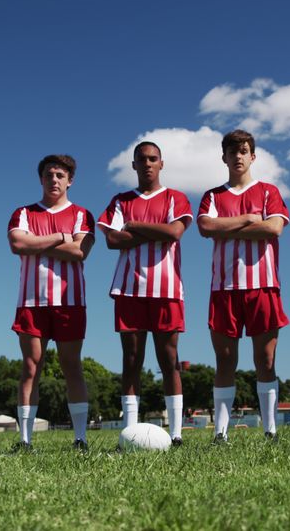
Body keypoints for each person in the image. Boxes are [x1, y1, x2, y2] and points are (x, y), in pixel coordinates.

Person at [197, 130, 290, 443]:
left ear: (253, 156)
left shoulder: (268, 192)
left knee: (265, 360)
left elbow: (274, 227)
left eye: (244, 151)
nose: (238, 156)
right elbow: (206, 226)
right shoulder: (213, 195)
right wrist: (249, 219)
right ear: (224, 157)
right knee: (225, 361)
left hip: (263, 285)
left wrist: (231, 226)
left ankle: (270, 430)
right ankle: (221, 433)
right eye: (232, 151)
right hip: (224, 288)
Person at [98, 141, 191, 446]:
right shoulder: (120, 200)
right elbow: (112, 240)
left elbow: (174, 233)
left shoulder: (176, 198)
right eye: (142, 159)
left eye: (153, 159)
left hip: (166, 290)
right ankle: (129, 431)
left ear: (161, 164)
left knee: (170, 360)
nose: (148, 164)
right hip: (129, 289)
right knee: (131, 360)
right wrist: (155, 231)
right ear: (134, 165)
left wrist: (135, 226)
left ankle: (176, 433)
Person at [7, 154, 95, 452]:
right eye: (48, 174)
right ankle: (25, 440)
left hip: (70, 301)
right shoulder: (23, 213)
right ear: (40, 178)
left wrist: (38, 243)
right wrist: (59, 236)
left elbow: (80, 252)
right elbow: (18, 244)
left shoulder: (82, 214)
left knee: (72, 366)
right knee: (31, 367)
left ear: (70, 180)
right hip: (31, 301)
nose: (54, 180)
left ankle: (80, 438)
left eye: (60, 175)